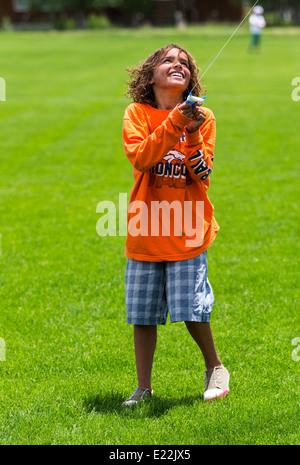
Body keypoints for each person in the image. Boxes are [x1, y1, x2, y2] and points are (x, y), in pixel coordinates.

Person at [122, 44, 229, 406]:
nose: (177, 64)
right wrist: (177, 123)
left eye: (184, 62)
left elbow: (203, 173)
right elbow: (143, 158)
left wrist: (194, 132)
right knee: (143, 312)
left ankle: (214, 366)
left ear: (190, 81)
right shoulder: (137, 113)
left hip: (188, 228)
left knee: (191, 306)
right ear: (150, 75)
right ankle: (143, 386)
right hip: (146, 227)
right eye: (168, 60)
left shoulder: (205, 117)